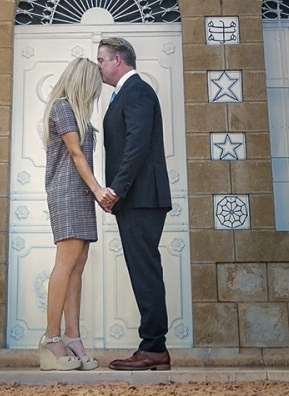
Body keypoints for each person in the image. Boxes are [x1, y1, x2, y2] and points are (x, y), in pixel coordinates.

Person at [95, 35, 172, 370]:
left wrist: (116, 189)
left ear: (118, 60)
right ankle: (151, 344)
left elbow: (137, 144)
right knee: (143, 271)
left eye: (101, 60)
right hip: (136, 198)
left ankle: (154, 347)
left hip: (141, 197)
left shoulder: (137, 90)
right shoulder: (122, 94)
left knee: (145, 272)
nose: (98, 65)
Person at [38, 56, 115, 371]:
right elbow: (74, 152)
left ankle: (73, 335)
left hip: (81, 193)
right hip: (68, 191)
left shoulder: (78, 113)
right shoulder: (63, 107)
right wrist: (99, 190)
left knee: (77, 267)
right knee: (65, 263)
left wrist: (93, 191)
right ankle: (51, 338)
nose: (96, 94)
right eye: (94, 87)